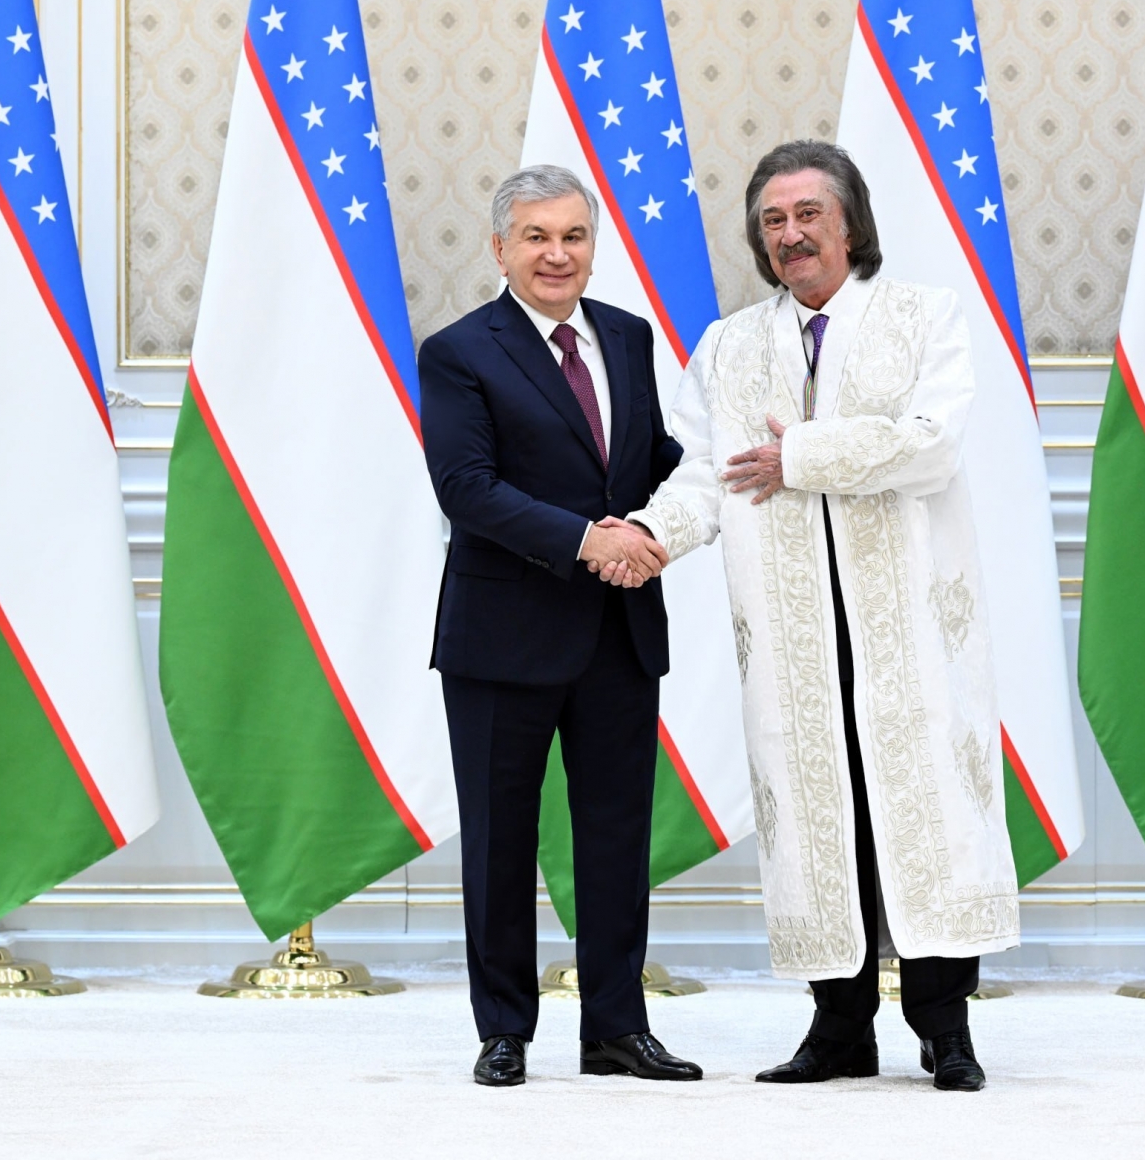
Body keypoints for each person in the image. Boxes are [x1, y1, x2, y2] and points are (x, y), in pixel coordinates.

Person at [613, 141, 1017, 1091]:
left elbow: (931, 444)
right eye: (773, 221)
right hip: (792, 629)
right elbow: (706, 474)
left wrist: (801, 456)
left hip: (906, 627)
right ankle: (839, 1027)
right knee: (819, 817)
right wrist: (648, 535)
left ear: (850, 223)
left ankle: (945, 1028)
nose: (790, 235)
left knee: (921, 814)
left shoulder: (923, 316)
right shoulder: (729, 345)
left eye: (808, 215)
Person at [418, 165, 700, 1088]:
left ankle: (616, 1027)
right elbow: (467, 489)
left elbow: (653, 460)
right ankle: (504, 1029)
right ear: (500, 248)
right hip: (503, 636)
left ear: (592, 245)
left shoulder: (627, 335)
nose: (556, 254)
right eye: (536, 237)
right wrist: (591, 543)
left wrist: (670, 517)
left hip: (619, 630)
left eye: (573, 236)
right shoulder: (459, 351)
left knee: (616, 839)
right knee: (500, 842)